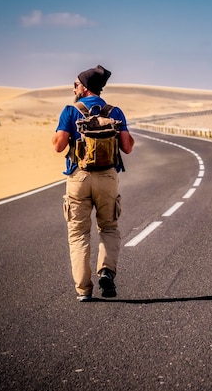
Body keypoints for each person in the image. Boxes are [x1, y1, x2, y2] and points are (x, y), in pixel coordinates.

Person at [52, 65, 134, 302]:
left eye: (76, 84)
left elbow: (58, 145)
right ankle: (106, 271)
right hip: (108, 178)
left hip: (78, 177)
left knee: (78, 234)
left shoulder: (70, 111)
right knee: (108, 228)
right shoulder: (115, 112)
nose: (74, 88)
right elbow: (127, 147)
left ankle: (83, 289)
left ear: (85, 88)